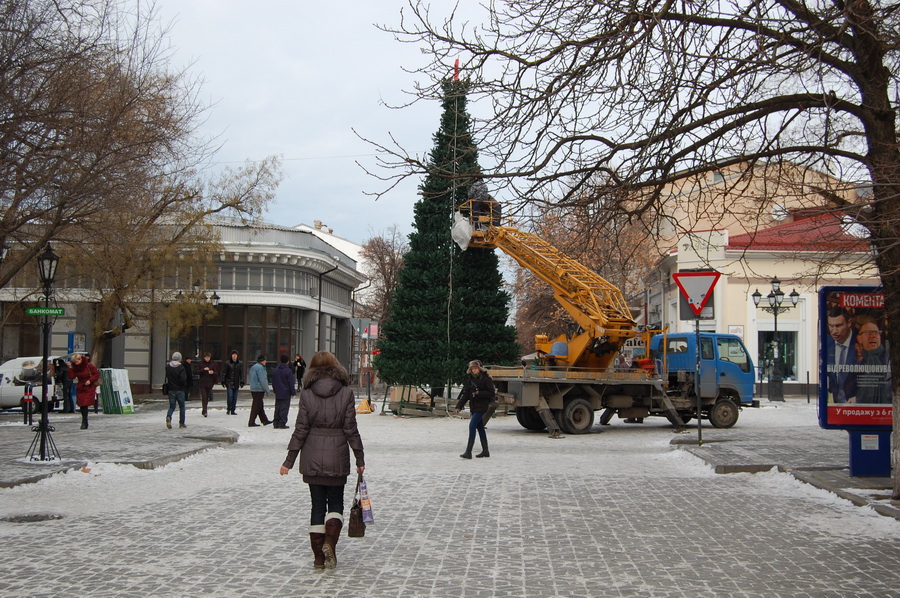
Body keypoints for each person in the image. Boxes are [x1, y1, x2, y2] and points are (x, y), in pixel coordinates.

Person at [279, 351, 365, 570]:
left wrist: (288, 461)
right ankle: (329, 542)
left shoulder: (307, 394)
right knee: (335, 503)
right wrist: (359, 457)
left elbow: (301, 429)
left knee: (317, 505)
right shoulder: (346, 393)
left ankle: (318, 558)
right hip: (337, 457)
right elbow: (350, 429)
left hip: (312, 457)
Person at [454, 359, 495, 459]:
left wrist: (479, 393)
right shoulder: (470, 380)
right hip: (474, 406)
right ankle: (485, 451)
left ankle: (468, 451)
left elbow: (491, 393)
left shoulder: (486, 379)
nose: (474, 370)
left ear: (480, 368)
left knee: (472, 426)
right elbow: (466, 395)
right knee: (480, 428)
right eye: (472, 369)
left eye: (475, 368)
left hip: (482, 406)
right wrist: (459, 406)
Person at [851, 319, 892, 404]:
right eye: (869, 332)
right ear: (859, 339)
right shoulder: (854, 359)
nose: (873, 336)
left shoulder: (890, 354)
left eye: (876, 333)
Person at [825, 307, 857, 403]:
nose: (834, 331)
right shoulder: (826, 343)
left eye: (838, 325)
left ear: (849, 323)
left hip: (855, 407)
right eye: (831, 326)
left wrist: (859, 398)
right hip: (834, 406)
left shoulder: (860, 341)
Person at [68, 353, 99, 430]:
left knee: (85, 403)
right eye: (75, 361)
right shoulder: (75, 367)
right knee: (82, 404)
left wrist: (90, 380)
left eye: (78, 361)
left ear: (81, 359)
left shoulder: (88, 365)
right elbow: (72, 376)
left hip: (89, 386)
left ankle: (84, 421)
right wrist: (70, 368)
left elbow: (96, 374)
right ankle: (84, 420)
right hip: (81, 386)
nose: (77, 363)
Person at [272, 354, 296, 428]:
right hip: (286, 392)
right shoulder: (288, 371)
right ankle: (282, 423)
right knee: (284, 408)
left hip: (278, 392)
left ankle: (276, 422)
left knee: (277, 407)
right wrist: (293, 392)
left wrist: (275, 390)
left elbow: (273, 382)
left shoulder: (275, 371)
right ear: (287, 361)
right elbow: (291, 383)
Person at [165, 351, 188, 429]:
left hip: (171, 389)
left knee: (172, 406)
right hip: (180, 389)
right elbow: (183, 380)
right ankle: (181, 423)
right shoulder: (181, 368)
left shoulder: (168, 367)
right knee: (182, 406)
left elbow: (167, 376)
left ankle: (169, 417)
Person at [247, 354, 272, 427]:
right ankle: (251, 422)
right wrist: (267, 390)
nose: (266, 362)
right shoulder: (261, 368)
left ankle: (264, 420)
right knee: (256, 405)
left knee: (259, 405)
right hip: (259, 389)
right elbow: (263, 380)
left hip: (253, 388)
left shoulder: (253, 367)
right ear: (262, 361)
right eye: (265, 360)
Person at [222, 350, 244, 415]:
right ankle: (229, 408)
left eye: (235, 355)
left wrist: (242, 381)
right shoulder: (227, 363)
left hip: (236, 382)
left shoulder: (240, 363)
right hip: (229, 382)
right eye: (233, 355)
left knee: (235, 397)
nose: (234, 356)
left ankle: (233, 410)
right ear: (231, 356)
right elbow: (224, 373)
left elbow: (241, 373)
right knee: (230, 396)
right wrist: (223, 381)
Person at [197, 352, 220, 417]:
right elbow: (196, 371)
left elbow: (217, 372)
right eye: (206, 357)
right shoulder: (200, 363)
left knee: (207, 397)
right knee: (204, 397)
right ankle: (205, 411)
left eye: (208, 357)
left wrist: (213, 372)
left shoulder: (213, 364)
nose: (207, 359)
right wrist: (203, 369)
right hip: (202, 383)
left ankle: (204, 409)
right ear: (204, 358)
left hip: (210, 382)